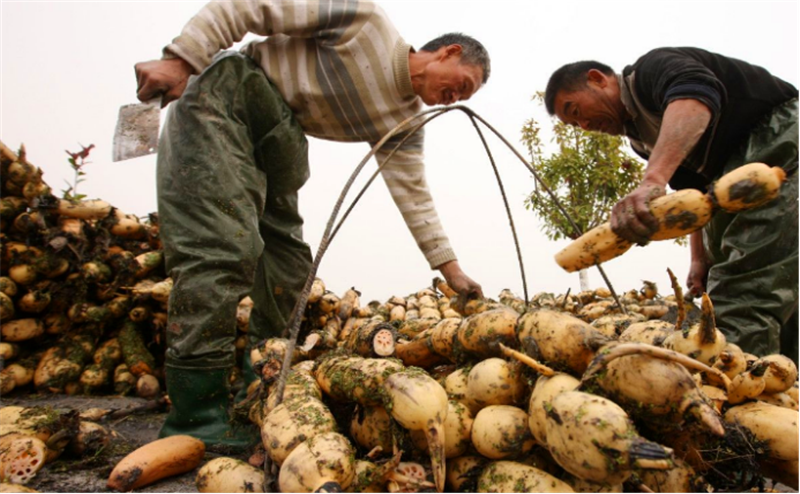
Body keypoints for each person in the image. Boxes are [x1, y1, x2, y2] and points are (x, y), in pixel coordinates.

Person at [134, 0, 489, 448]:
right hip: (231, 97)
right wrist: (181, 59)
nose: (456, 98)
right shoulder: (365, 23)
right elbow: (252, 8)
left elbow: (415, 198)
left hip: (281, 135)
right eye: (462, 85)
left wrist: (451, 270)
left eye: (465, 98)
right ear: (447, 53)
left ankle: (258, 395)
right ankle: (197, 418)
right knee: (223, 247)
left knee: (289, 269)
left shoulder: (405, 122)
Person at [544, 47, 798, 362]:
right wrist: (698, 259)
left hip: (780, 141)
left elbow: (696, 97)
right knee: (764, 284)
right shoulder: (641, 139)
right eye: (573, 124)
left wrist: (652, 180)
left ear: (596, 80)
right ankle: (784, 386)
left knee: (747, 282)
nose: (583, 125)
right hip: (727, 180)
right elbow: (693, 192)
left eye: (576, 110)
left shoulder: (648, 73)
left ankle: (734, 388)